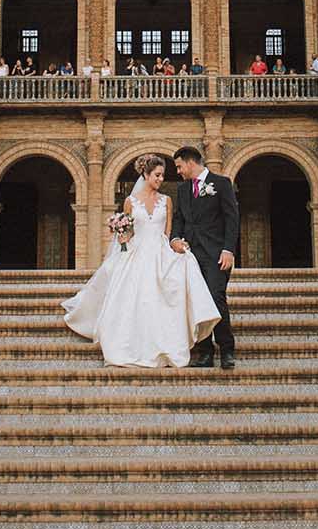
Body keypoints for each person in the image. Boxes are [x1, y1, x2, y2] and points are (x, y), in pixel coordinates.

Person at [63, 154, 220, 368]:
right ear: (145, 175)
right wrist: (121, 233)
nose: (160, 179)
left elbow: (168, 232)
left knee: (174, 278)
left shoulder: (167, 200)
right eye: (156, 175)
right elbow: (127, 233)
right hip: (136, 252)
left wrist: (175, 246)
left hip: (160, 251)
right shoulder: (130, 202)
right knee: (135, 298)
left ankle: (164, 343)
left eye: (162, 176)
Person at [169, 145, 238, 368]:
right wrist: (175, 239)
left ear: (191, 163)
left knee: (216, 297)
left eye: (180, 166)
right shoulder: (182, 190)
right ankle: (205, 352)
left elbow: (232, 218)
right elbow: (180, 218)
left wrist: (229, 249)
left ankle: (227, 350)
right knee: (197, 301)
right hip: (191, 255)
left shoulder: (221, 183)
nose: (178, 171)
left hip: (217, 254)